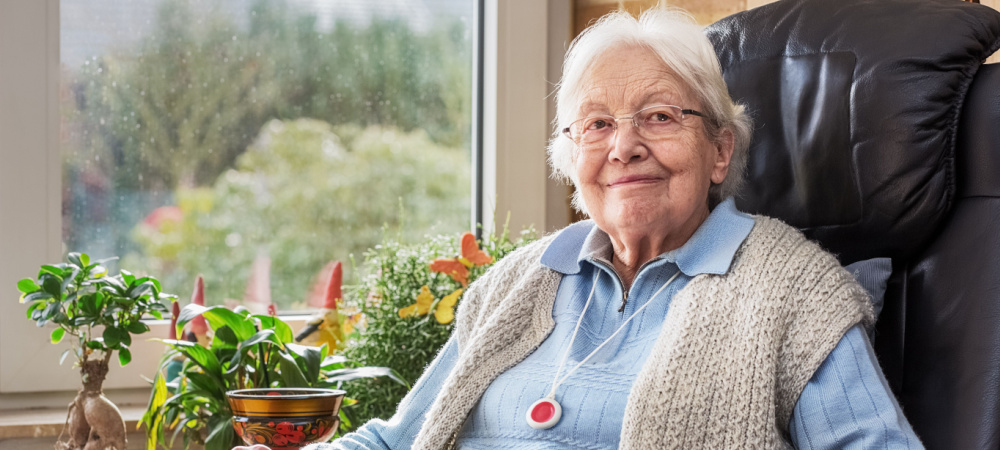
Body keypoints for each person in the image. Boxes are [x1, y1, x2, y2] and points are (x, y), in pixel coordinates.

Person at [235, 8, 922, 450]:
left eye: (659, 116)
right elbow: (399, 439)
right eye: (596, 125)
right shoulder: (515, 283)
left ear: (720, 150)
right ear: (572, 159)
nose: (622, 147)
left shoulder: (793, 290)